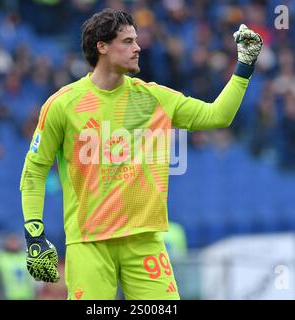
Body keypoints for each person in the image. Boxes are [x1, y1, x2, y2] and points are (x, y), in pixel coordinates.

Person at [20, 8, 262, 300]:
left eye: (137, 41)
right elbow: (34, 171)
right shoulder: (63, 105)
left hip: (145, 241)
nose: (138, 48)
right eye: (128, 41)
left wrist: (244, 67)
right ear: (102, 46)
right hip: (89, 244)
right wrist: (35, 233)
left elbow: (217, 116)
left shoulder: (155, 98)